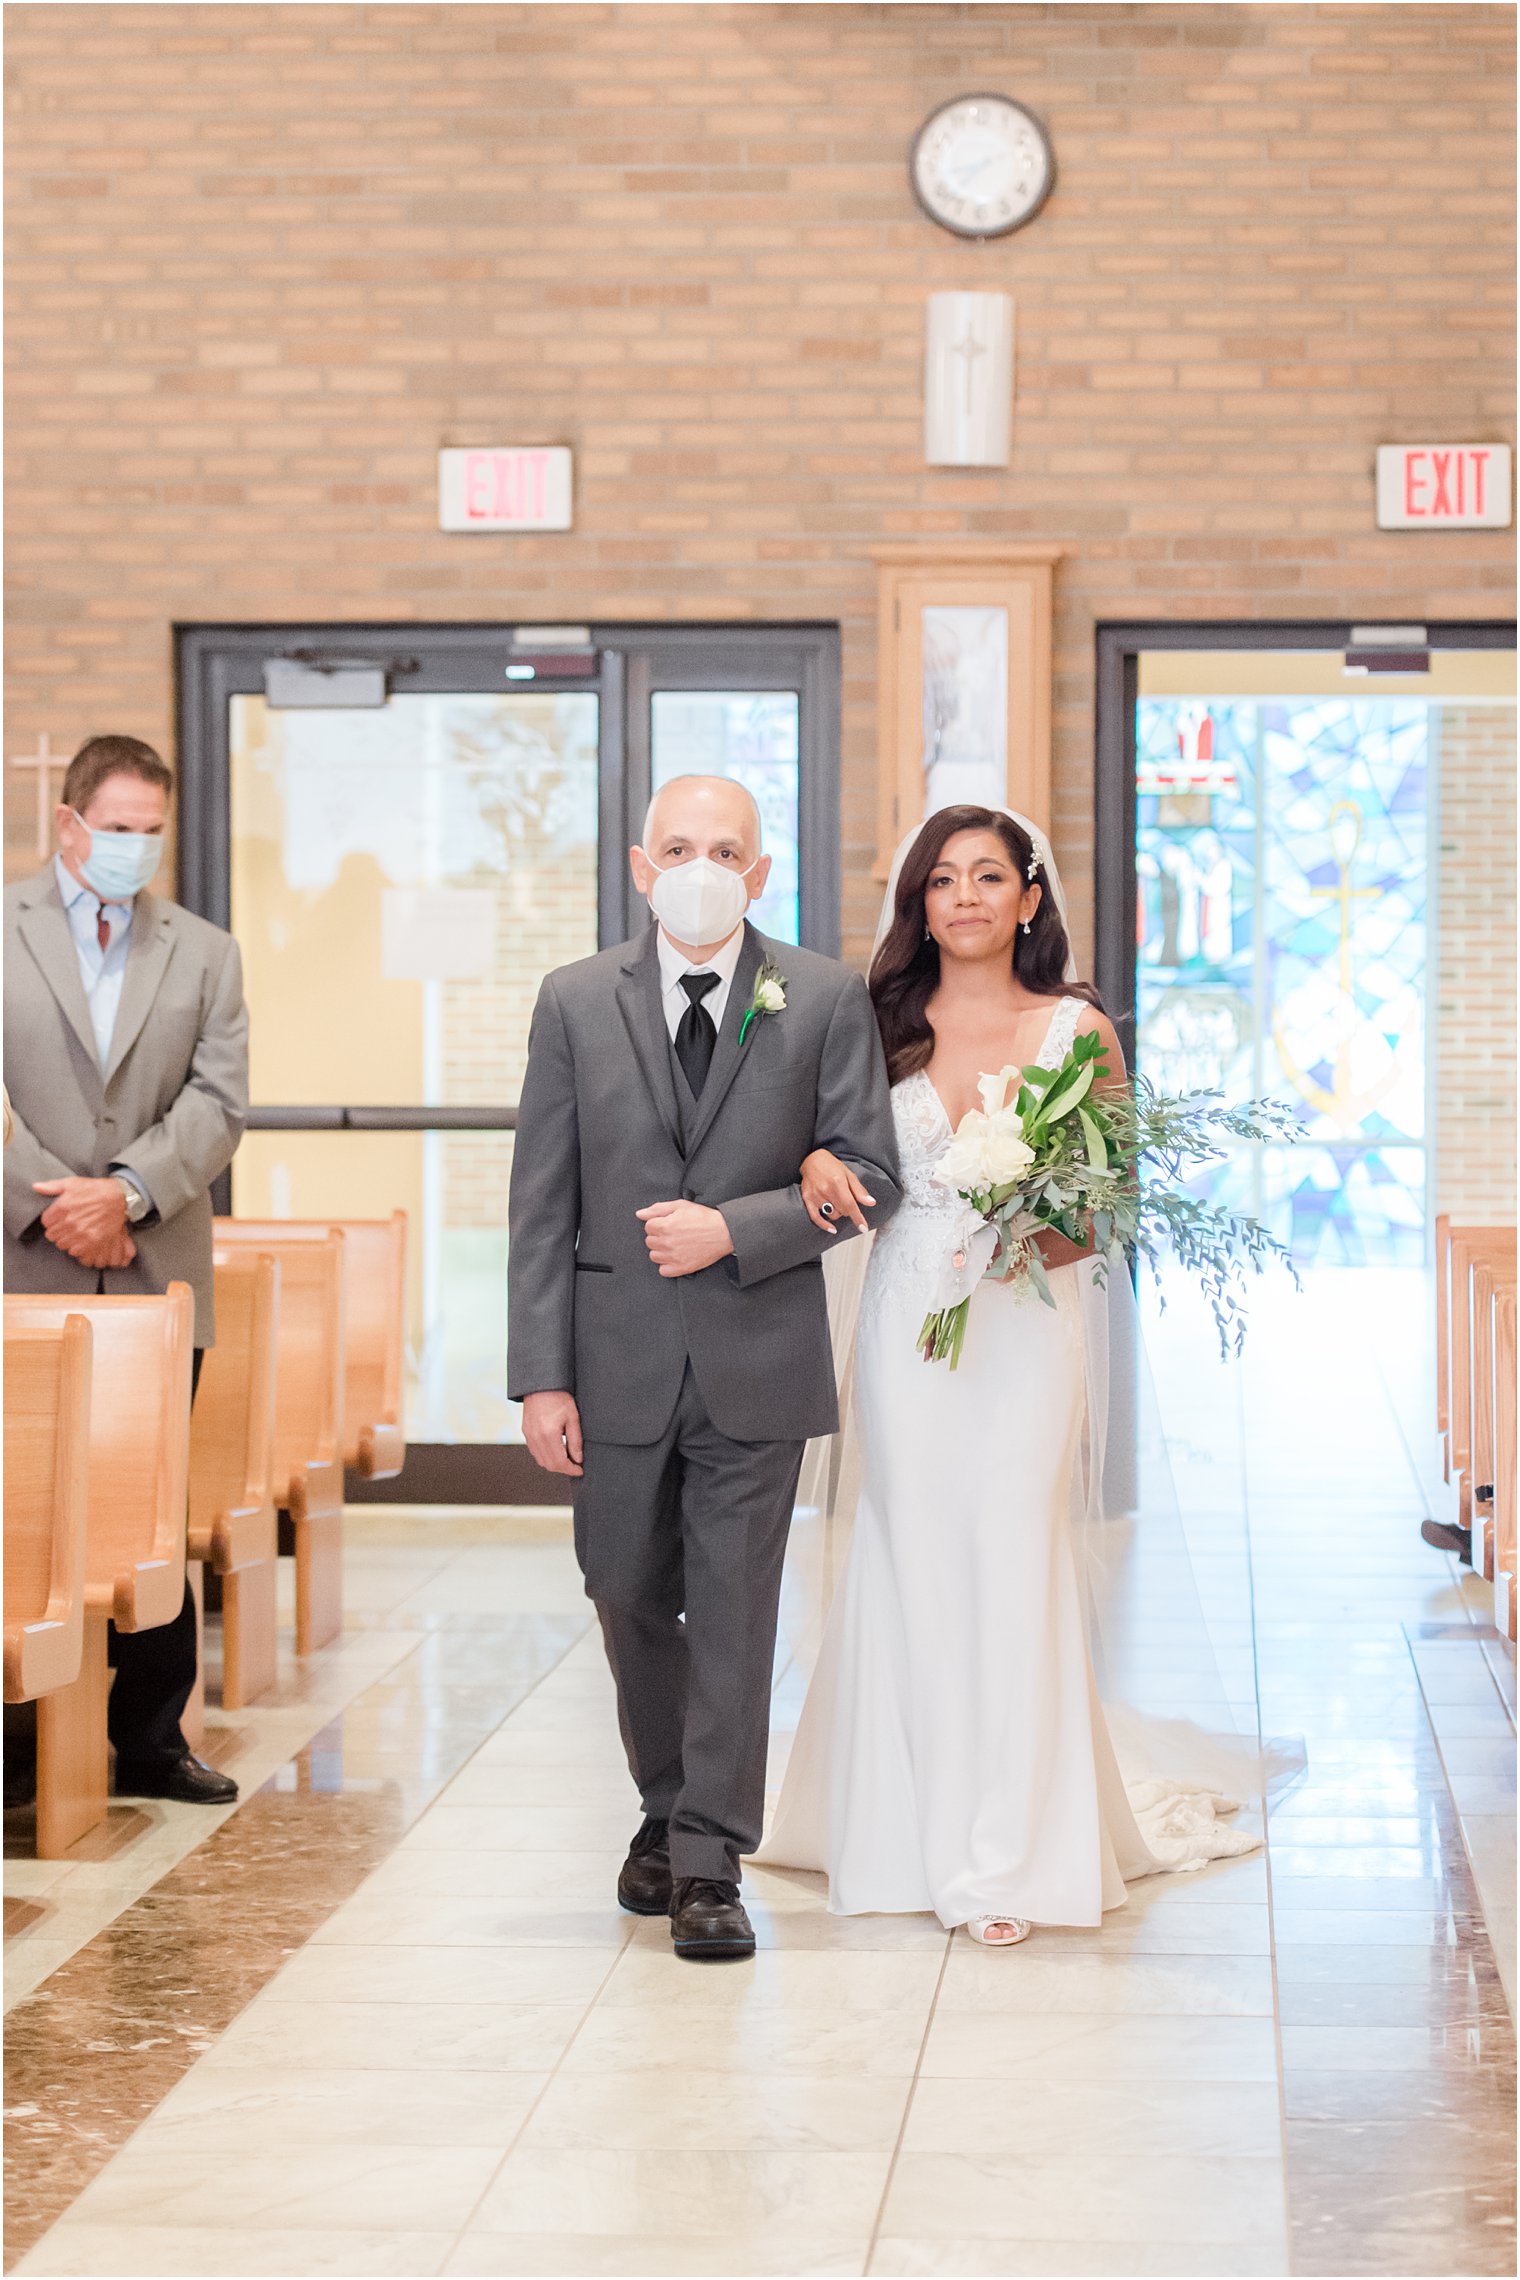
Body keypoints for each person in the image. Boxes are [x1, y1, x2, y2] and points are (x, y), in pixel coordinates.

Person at [764, 805, 1260, 1945]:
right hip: (903, 1328)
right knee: (911, 1555)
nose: (966, 897)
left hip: (1026, 1332)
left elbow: (1111, 1197)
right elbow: (817, 1145)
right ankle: (899, 1839)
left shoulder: (1074, 1030)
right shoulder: (872, 1019)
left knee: (1012, 1556)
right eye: (942, 880)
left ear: (1029, 898)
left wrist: (1021, 1232)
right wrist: (811, 1159)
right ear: (918, 905)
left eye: (989, 876)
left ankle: (1007, 1861)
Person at [508, 774, 901, 1961]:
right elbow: (541, 1200)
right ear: (640, 866)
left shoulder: (823, 997)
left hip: (754, 1357)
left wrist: (741, 1228)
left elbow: (867, 1175)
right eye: (677, 846)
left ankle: (707, 1861)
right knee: (624, 1588)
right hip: (612, 1359)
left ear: (758, 875)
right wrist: (540, 1375)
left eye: (724, 849)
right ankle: (667, 1805)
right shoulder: (573, 1002)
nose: (699, 866)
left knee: (733, 1607)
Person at [4, 734, 248, 1806]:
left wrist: (126, 1193)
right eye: (116, 830)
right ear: (69, 825)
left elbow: (219, 1099)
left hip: (152, 1262)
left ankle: (150, 1739)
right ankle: (12, 1753)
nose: (133, 850)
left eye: (150, 833)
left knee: (151, 1501)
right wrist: (56, 1203)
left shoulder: (204, 950)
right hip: (21, 1258)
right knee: (18, 1504)